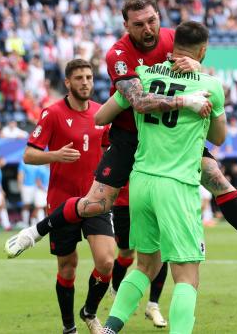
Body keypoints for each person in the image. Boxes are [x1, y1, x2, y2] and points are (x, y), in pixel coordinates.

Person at [6, 0, 237, 278]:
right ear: (126, 26)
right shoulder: (117, 55)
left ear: (159, 18)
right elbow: (138, 102)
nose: (148, 29)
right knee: (96, 204)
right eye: (139, 24)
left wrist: (198, 67)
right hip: (129, 136)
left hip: (168, 136)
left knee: (216, 177)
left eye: (152, 20)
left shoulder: (171, 40)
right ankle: (35, 231)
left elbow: (196, 69)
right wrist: (184, 102)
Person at [97, 20, 227, 334]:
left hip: (141, 182)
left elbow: (100, 117)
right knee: (187, 275)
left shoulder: (143, 75)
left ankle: (111, 328)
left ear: (172, 47)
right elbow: (219, 138)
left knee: (146, 264)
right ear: (203, 50)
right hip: (177, 185)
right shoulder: (210, 85)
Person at [7, 59, 116, 334]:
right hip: (62, 202)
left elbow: (107, 147)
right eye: (79, 78)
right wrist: (55, 155)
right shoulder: (52, 113)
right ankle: (69, 327)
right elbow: (28, 154)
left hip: (95, 199)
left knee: (106, 262)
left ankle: (90, 312)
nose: (85, 83)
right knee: (68, 267)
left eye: (89, 77)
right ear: (67, 83)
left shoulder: (101, 112)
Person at [17, 159, 38, 228]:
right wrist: (20, 185)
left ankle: (34, 223)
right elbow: (20, 174)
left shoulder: (37, 161)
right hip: (26, 186)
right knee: (26, 205)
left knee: (38, 205)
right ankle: (25, 223)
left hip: (37, 187)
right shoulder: (23, 162)